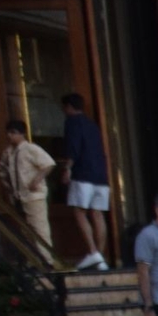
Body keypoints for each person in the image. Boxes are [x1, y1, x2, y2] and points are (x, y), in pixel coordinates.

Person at [61, 92, 111, 271]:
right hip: (101, 175)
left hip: (82, 173)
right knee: (98, 214)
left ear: (68, 107)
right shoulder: (93, 125)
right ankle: (101, 256)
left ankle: (92, 252)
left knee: (80, 211)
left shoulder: (72, 122)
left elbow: (74, 147)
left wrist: (68, 168)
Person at [0, 119, 56, 265]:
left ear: (22, 134)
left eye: (13, 133)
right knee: (26, 229)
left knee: (39, 228)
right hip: (19, 196)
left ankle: (46, 260)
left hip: (33, 195)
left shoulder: (31, 149)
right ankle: (32, 259)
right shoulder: (9, 152)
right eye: (9, 133)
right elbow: (4, 171)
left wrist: (36, 180)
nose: (10, 136)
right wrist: (8, 186)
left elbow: (48, 164)